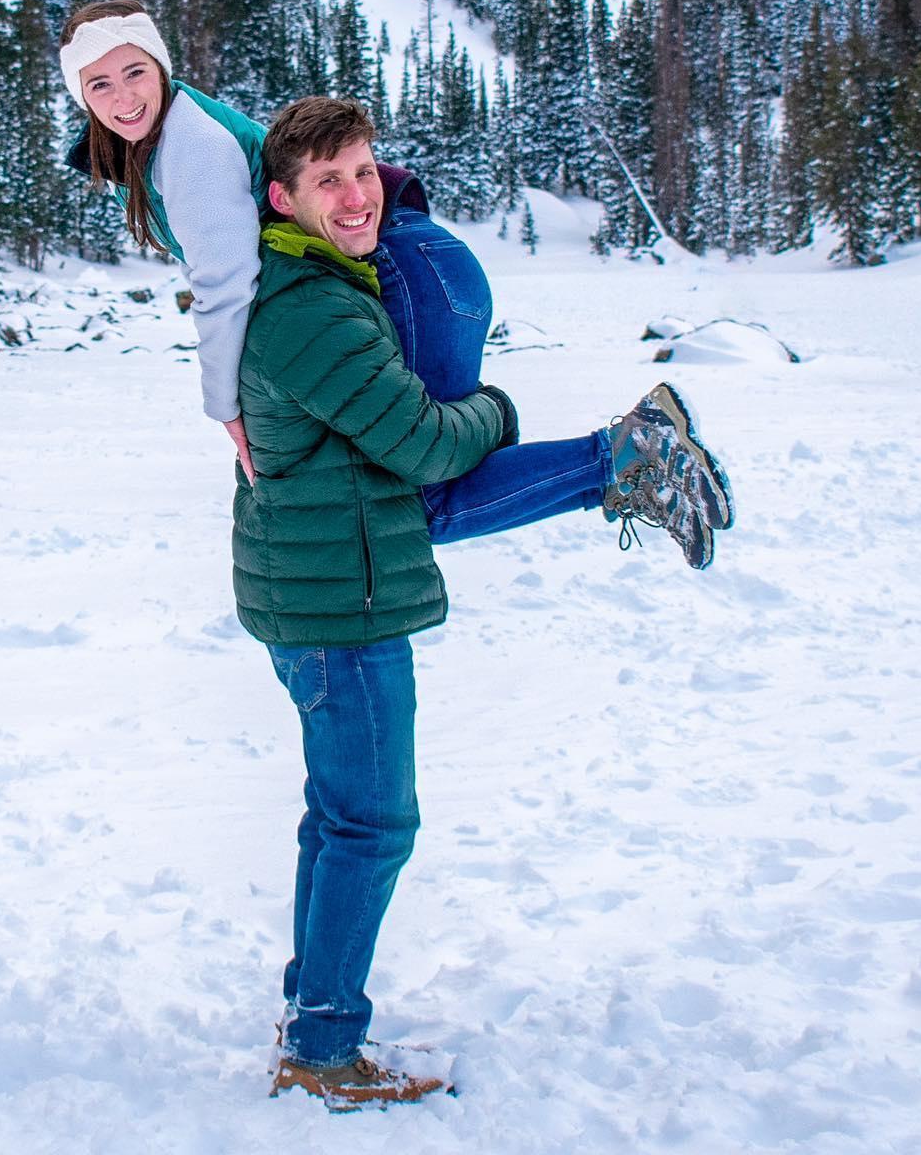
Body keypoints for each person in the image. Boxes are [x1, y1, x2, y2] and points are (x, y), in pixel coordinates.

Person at [236, 97, 732, 1107]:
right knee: (370, 825)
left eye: (365, 171)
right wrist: (497, 412)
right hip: (343, 610)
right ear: (282, 198)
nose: (357, 193)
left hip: (324, 592)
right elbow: (420, 441)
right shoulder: (314, 310)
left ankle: (315, 1014)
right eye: (330, 181)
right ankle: (324, 1045)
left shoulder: (316, 279)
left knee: (340, 821)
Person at [58, 0, 733, 567]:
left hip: (402, 268)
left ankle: (629, 454)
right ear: (81, 97)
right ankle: (622, 457)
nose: (123, 97)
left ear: (160, 67)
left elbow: (226, 283)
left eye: (134, 72)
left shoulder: (188, 146)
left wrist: (225, 408)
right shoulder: (162, 139)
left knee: (418, 503)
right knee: (402, 490)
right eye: (100, 86)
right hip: (414, 261)